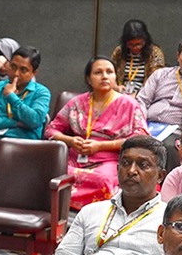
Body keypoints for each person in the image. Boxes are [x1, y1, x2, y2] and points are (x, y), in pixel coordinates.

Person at [41, 135, 164, 255]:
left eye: (143, 165)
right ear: (118, 168)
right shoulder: (91, 211)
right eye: (126, 163)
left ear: (160, 176)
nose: (132, 171)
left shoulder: (169, 220)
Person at [47, 57, 149, 209]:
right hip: (75, 158)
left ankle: (95, 214)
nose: (104, 76)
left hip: (110, 159)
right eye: (98, 72)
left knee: (102, 180)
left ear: (115, 76)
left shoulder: (129, 104)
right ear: (89, 79)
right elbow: (50, 130)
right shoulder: (76, 103)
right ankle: (58, 212)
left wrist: (101, 146)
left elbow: (141, 138)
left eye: (109, 72)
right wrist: (70, 141)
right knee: (53, 175)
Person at [0, 46, 51, 145]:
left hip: (25, 146)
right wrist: (13, 123)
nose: (16, 73)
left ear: (34, 73)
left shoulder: (41, 92)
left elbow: (34, 120)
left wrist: (11, 96)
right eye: (13, 67)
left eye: (23, 70)